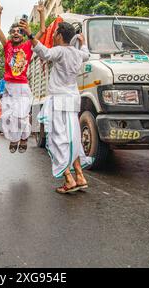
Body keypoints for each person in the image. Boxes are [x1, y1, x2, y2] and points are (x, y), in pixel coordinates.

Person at [22, 20, 94, 194]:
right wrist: (83, 43)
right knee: (73, 138)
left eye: (54, 34)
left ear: (60, 36)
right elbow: (86, 54)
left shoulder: (60, 51)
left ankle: (69, 179)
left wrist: (31, 35)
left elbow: (44, 53)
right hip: (72, 99)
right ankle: (80, 175)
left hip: (59, 100)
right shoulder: (78, 53)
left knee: (57, 140)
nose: (53, 36)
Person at [0, 0, 45, 153]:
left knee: (22, 116)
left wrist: (42, 13)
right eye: (14, 31)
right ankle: (14, 139)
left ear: (23, 36)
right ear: (11, 35)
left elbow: (42, 31)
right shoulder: (7, 46)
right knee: (8, 117)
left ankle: (23, 138)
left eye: (19, 31)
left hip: (22, 86)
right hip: (9, 87)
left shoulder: (28, 46)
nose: (16, 32)